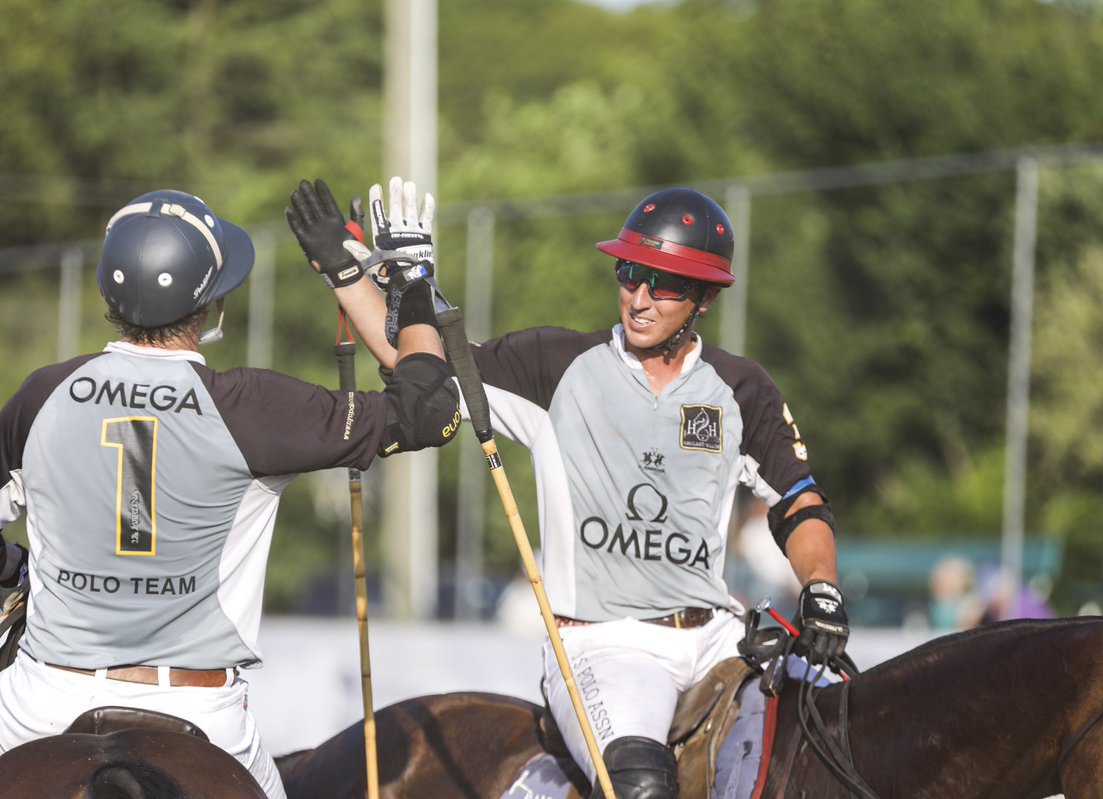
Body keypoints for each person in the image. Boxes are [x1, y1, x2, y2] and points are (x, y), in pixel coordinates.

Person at [296, 177, 850, 799]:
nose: (639, 297)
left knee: (848, 735)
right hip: (605, 643)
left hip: (719, 636)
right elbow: (418, 368)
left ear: (703, 298)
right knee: (640, 787)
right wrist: (346, 271)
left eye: (662, 283)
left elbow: (800, 502)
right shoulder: (556, 365)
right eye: (629, 273)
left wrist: (821, 591)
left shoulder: (741, 388)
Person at [0, 188, 461, 797]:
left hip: (38, 702)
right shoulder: (252, 407)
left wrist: (19, 568)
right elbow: (431, 411)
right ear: (210, 301)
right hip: (200, 713)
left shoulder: (41, 395)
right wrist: (407, 280)